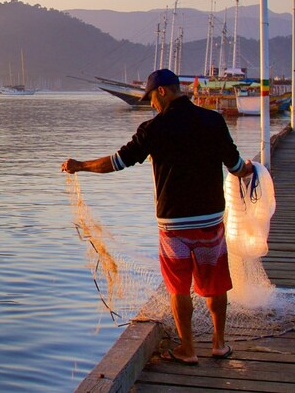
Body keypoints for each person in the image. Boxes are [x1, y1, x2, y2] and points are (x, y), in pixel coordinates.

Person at [62, 69, 253, 365]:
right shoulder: (213, 121)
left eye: (151, 98)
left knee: (178, 287)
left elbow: (116, 162)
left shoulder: (154, 128)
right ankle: (219, 344)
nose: (151, 104)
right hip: (210, 221)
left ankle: (187, 350)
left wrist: (80, 165)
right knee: (215, 282)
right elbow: (236, 165)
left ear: (162, 92)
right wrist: (252, 171)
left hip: (174, 224)